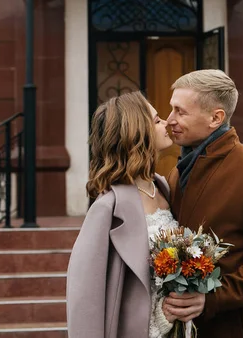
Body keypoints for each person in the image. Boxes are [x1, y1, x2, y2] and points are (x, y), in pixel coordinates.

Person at [163, 69, 243, 338]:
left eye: (181, 111)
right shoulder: (176, 173)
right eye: (170, 110)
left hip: (241, 327)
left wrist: (211, 297)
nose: (169, 120)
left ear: (216, 118)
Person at [66, 91, 181, 338]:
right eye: (157, 119)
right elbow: (85, 298)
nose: (166, 124)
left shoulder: (164, 188)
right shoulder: (108, 208)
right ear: (138, 132)